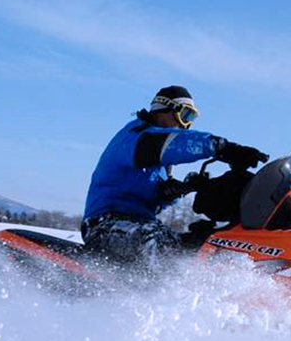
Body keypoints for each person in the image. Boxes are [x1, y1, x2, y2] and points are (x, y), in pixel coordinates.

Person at [81, 85, 268, 266]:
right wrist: (221, 147)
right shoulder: (136, 137)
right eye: (186, 115)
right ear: (163, 109)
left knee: (196, 245)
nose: (185, 124)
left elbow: (151, 192)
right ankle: (158, 296)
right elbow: (173, 144)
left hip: (139, 224)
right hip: (104, 225)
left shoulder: (155, 158)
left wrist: (175, 190)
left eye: (191, 119)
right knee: (159, 244)